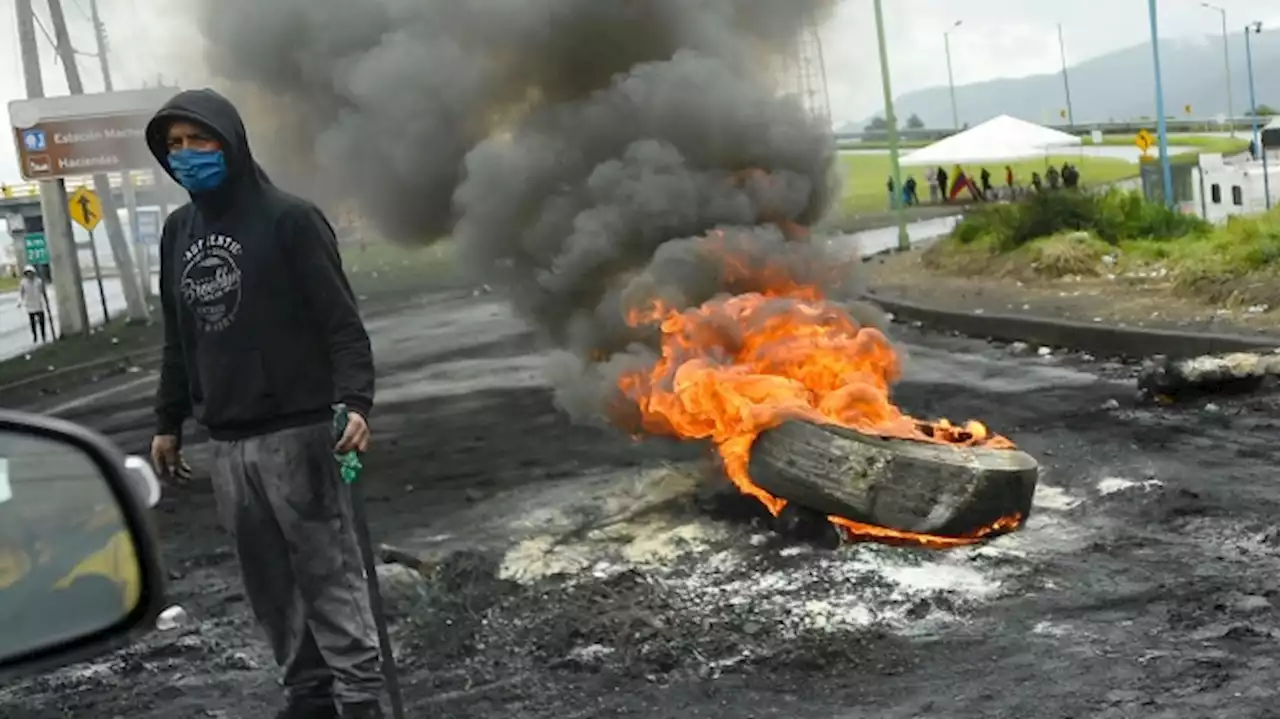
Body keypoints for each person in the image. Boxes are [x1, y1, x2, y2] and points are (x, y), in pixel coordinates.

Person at [144, 89, 383, 719]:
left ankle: (360, 697)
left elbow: (341, 324)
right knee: (270, 586)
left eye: (201, 141)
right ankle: (307, 696)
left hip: (301, 433)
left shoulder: (289, 220)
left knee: (328, 574)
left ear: (232, 142)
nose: (187, 155)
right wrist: (167, 420)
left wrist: (356, 401)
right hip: (226, 441)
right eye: (175, 146)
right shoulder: (177, 233)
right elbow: (179, 336)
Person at [16, 266, 47, 344]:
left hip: (38, 304)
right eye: (28, 273)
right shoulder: (23, 282)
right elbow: (21, 293)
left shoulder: (38, 281)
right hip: (30, 305)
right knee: (32, 323)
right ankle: (35, 336)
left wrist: (45, 300)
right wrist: (20, 302)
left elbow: (43, 291)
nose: (29, 275)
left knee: (42, 322)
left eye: (31, 273)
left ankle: (43, 336)